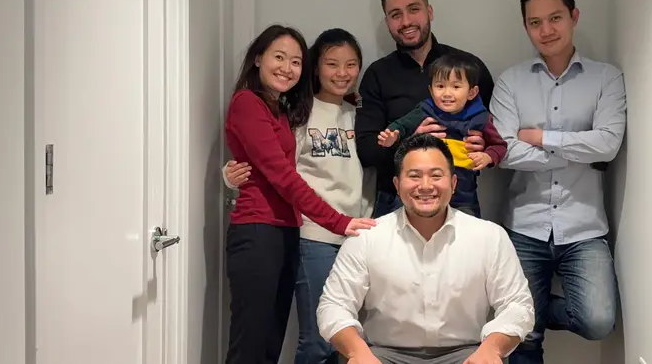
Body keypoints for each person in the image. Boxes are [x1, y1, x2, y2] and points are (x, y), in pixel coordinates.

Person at [489, 0, 626, 364]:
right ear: (526, 26)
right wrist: (579, 145)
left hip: (584, 227)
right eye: (535, 22)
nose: (546, 30)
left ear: (574, 16)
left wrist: (539, 136)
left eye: (555, 18)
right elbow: (504, 152)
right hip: (524, 224)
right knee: (522, 339)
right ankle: (528, 317)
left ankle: (533, 311)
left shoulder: (606, 78)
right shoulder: (510, 81)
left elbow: (608, 145)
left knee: (599, 320)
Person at [223, 24, 376, 364]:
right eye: (279, 57)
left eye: (294, 61)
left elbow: (269, 164)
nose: (286, 68)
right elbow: (282, 173)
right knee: (255, 340)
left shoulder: (279, 107)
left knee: (269, 340)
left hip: (286, 230)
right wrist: (338, 221)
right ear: (258, 58)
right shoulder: (251, 103)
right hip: (265, 229)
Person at [317, 134, 535, 364]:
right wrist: (357, 351)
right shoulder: (367, 238)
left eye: (436, 175)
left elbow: (517, 304)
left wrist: (492, 348)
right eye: (414, 176)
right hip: (384, 355)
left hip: (466, 355)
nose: (426, 186)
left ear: (453, 184)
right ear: (397, 185)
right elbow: (334, 305)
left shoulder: (489, 236)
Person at [355, 0, 495, 218]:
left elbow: (500, 132)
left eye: (414, 9)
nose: (406, 21)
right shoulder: (377, 74)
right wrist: (410, 141)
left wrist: (485, 145)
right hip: (396, 200)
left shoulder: (469, 67)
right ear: (387, 21)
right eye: (395, 14)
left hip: (460, 198)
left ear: (429, 11)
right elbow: (367, 150)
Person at [376, 51, 507, 217]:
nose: (446, 93)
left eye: (456, 86)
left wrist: (488, 157)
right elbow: (401, 125)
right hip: (421, 192)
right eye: (440, 86)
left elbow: (500, 146)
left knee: (468, 236)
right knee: (400, 228)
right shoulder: (425, 110)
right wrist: (392, 137)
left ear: (472, 92)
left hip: (463, 197)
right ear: (431, 90)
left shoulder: (480, 117)